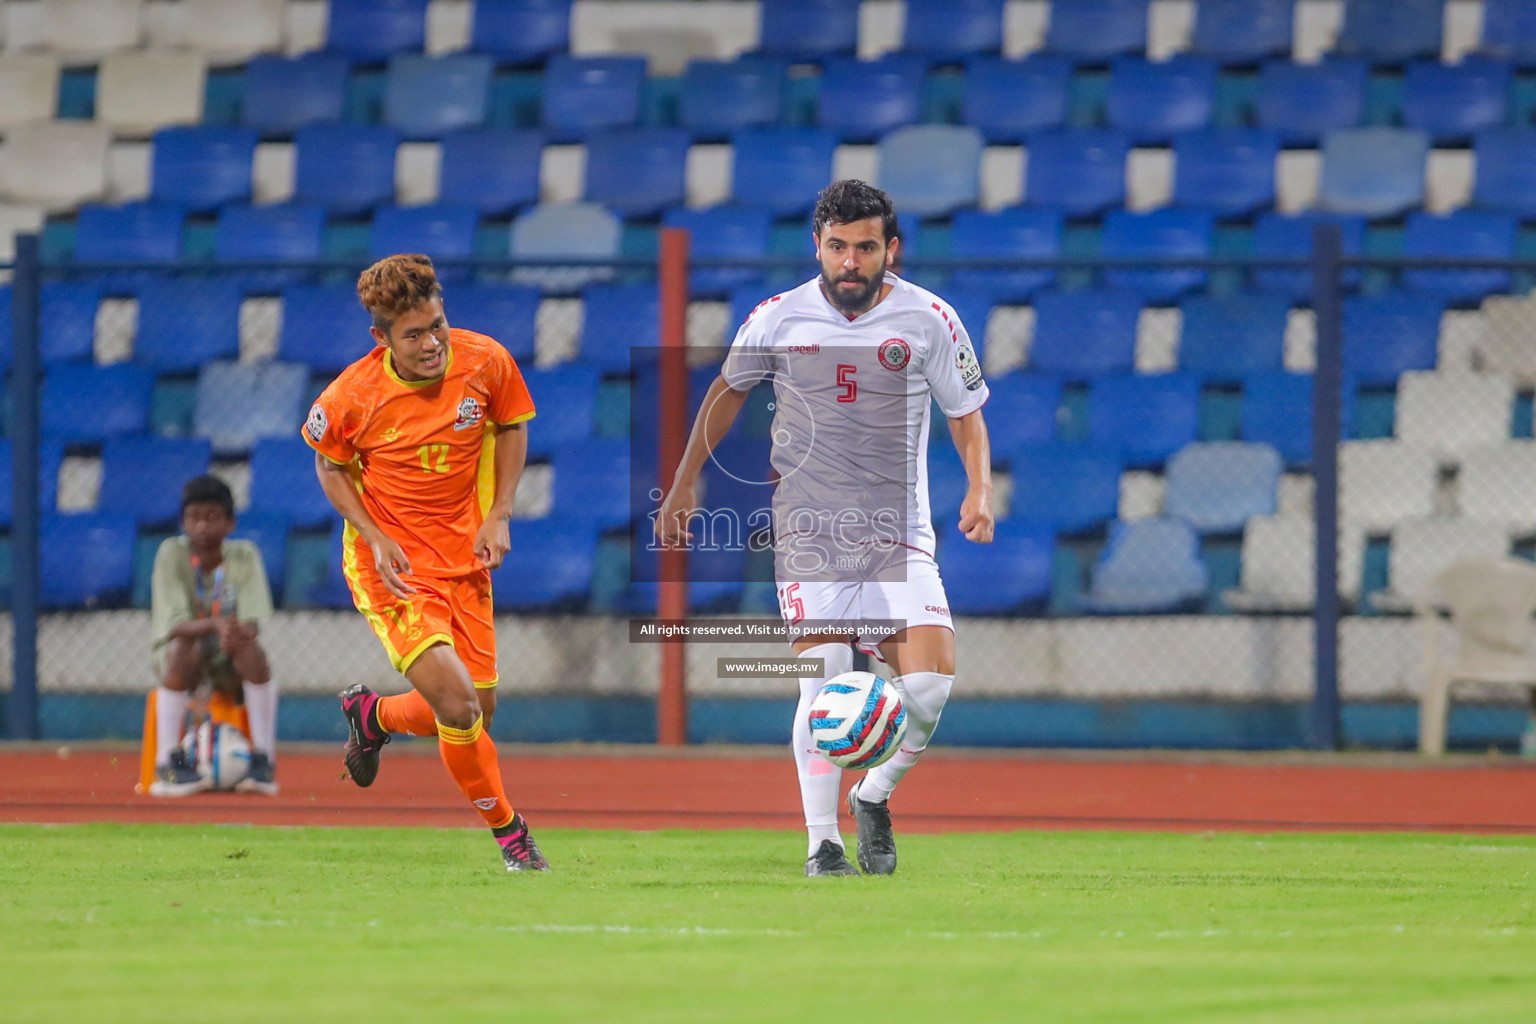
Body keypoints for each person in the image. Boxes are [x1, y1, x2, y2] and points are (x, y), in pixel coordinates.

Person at [657, 180, 994, 877]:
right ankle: (823, 844)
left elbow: (965, 412)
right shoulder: (778, 318)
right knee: (825, 682)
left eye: (864, 247)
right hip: (812, 533)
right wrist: (687, 477)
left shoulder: (930, 319)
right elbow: (726, 392)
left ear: (888, 250)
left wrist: (980, 487)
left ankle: (872, 796)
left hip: (900, 534)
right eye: (836, 246)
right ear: (818, 246)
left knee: (930, 688)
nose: (849, 261)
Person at [303, 253, 549, 871]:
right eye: (414, 334)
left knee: (477, 711)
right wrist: (372, 534)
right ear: (380, 337)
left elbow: (513, 424)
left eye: (436, 324)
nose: (432, 341)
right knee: (460, 707)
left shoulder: (485, 360)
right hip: (395, 570)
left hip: (464, 560)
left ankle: (373, 715)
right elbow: (329, 465)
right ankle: (512, 834)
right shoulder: (352, 395)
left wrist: (501, 513)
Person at [149, 474, 278, 796]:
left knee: (253, 651)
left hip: (228, 657)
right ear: (183, 522)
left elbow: (252, 622)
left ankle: (263, 762)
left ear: (230, 523)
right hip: (184, 659)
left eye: (212, 517)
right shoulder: (171, 554)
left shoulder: (245, 554)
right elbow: (174, 625)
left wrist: (234, 633)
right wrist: (218, 625)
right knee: (184, 644)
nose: (202, 527)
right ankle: (166, 763)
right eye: (193, 518)